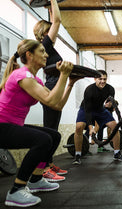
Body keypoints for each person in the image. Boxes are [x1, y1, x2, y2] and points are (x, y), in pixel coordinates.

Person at [0, 39, 76, 207]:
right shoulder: (22, 75)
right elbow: (50, 100)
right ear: (29, 55)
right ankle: (16, 190)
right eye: (42, 51)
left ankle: (36, 180)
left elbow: (57, 104)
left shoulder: (35, 80)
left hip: (12, 126)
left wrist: (70, 83)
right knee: (42, 140)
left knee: (53, 136)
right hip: (1, 126)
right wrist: (63, 75)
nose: (46, 55)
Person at [33, 0, 66, 181]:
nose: (55, 32)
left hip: (54, 85)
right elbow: (58, 22)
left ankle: (48, 164)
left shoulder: (47, 47)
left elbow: (55, 21)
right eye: (50, 29)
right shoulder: (43, 45)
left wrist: (49, 8)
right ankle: (43, 168)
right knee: (50, 130)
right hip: (52, 87)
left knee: (52, 129)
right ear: (44, 33)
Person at [73, 70, 122, 165]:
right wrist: (90, 128)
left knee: (114, 126)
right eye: (100, 79)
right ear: (95, 79)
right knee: (79, 127)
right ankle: (77, 155)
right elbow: (88, 111)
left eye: (104, 79)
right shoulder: (89, 90)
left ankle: (117, 153)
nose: (102, 81)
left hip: (99, 109)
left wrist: (109, 106)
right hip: (85, 109)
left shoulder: (110, 89)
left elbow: (109, 105)